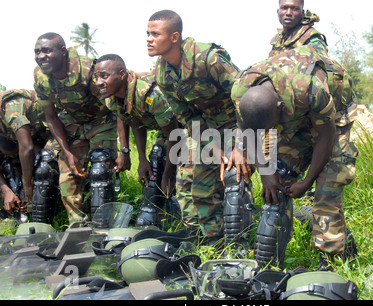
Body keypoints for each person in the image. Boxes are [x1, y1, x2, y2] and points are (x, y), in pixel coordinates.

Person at [260, 0, 358, 269]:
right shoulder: (278, 41)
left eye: (293, 7)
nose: (288, 12)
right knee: (279, 180)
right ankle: (274, 259)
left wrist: (308, 180)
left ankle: (332, 264)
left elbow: (312, 84)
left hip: (330, 115)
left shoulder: (313, 39)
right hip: (297, 114)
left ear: (303, 10)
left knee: (326, 191)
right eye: (283, 7)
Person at [146, 10, 241, 243]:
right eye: (147, 33)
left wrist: (240, 145)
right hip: (210, 129)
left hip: (241, 123)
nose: (148, 39)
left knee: (236, 185)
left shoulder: (208, 59)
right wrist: (214, 149)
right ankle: (214, 245)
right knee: (202, 190)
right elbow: (188, 117)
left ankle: (241, 246)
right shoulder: (162, 73)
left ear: (174, 37)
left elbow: (245, 98)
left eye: (155, 34)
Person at [33, 32, 126, 224]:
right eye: (37, 52)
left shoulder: (89, 71)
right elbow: (50, 116)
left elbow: (118, 107)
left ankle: (103, 225)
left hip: (101, 120)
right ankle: (77, 224)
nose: (41, 56)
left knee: (100, 167)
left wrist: (124, 150)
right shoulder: (41, 77)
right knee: (47, 165)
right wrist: (67, 152)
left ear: (63, 51)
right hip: (71, 121)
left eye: (47, 51)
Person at [93, 53, 180, 226]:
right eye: (96, 77)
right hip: (166, 126)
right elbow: (134, 120)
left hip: (186, 124)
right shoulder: (111, 97)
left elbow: (175, 135)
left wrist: (169, 175)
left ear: (122, 75)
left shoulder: (149, 94)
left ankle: (186, 217)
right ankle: (163, 217)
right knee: (154, 162)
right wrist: (140, 158)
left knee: (167, 164)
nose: (98, 82)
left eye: (104, 76)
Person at [0, 89, 50, 212]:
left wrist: (27, 184)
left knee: (43, 166)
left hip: (47, 132)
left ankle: (46, 207)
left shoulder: (12, 107)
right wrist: (6, 190)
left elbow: (27, 147)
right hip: (22, 140)